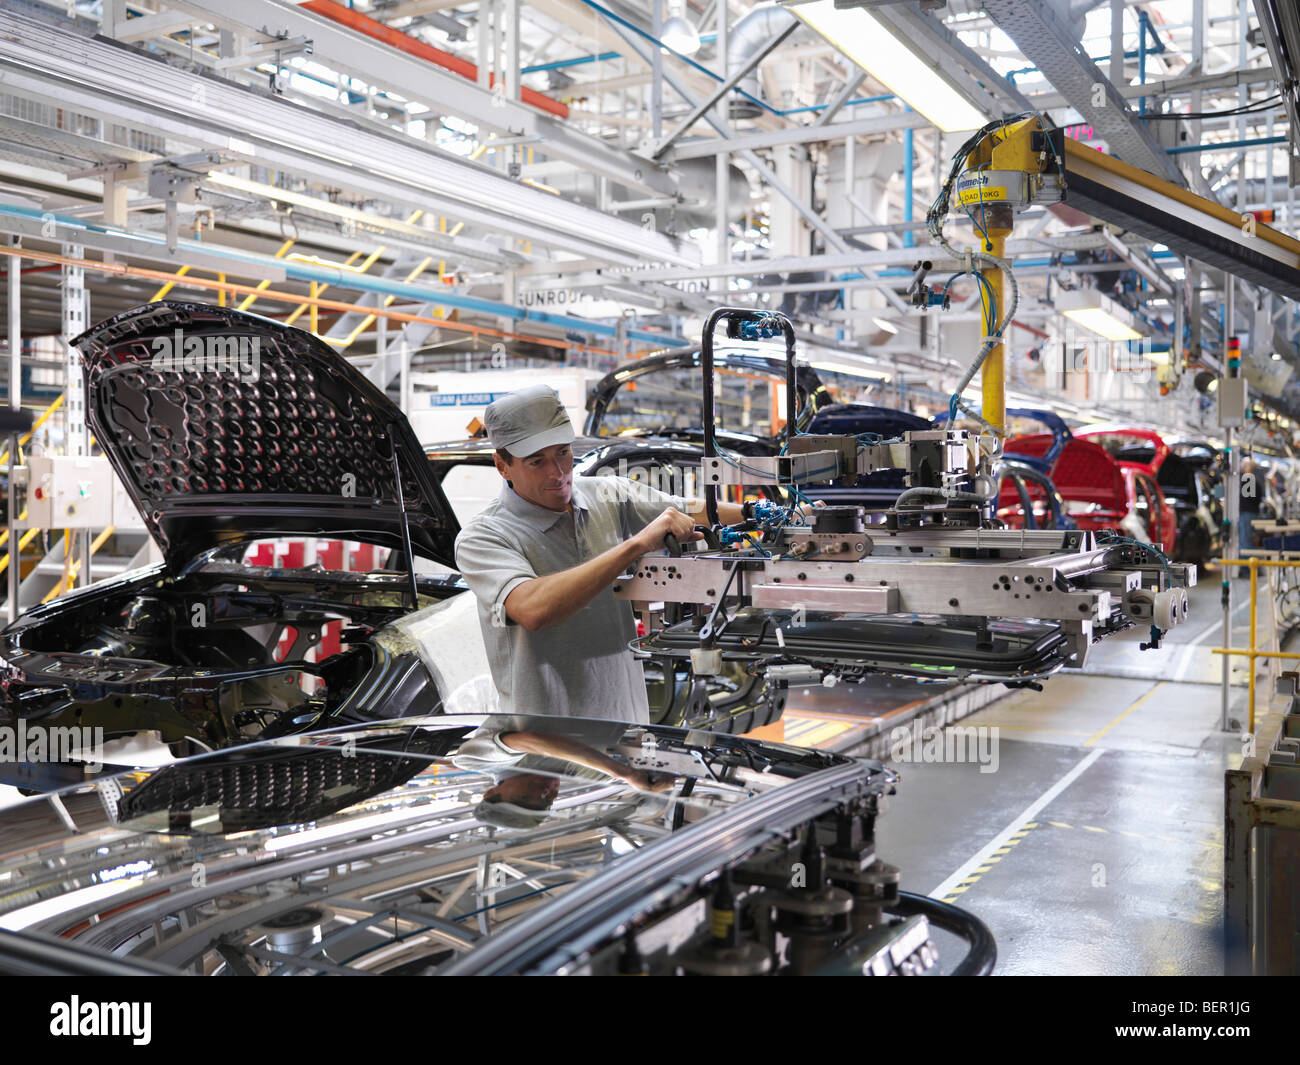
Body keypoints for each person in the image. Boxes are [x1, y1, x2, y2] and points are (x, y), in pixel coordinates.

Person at [454, 384, 804, 722]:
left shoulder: (604, 494)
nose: (558, 472)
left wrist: (762, 513)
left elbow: (687, 509)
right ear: (502, 465)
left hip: (626, 722)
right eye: (536, 462)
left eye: (563, 452)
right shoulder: (483, 536)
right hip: (546, 740)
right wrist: (637, 545)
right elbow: (532, 609)